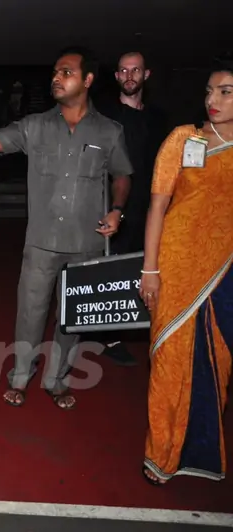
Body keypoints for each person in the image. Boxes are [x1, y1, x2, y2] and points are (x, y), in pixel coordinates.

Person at [0, 46, 133, 409]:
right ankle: (20, 378)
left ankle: (57, 380)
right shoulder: (35, 126)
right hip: (41, 241)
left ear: (87, 80)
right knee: (30, 312)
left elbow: (122, 174)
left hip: (87, 241)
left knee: (72, 319)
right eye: (55, 72)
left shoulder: (109, 131)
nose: (57, 78)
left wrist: (117, 209)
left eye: (66, 72)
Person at [141, 58, 233, 486]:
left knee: (220, 361)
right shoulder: (184, 138)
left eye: (225, 92)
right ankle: (160, 456)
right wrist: (150, 269)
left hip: (225, 272)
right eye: (210, 91)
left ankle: (199, 451)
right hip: (175, 266)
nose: (213, 100)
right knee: (170, 359)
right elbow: (158, 206)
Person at [97, 51, 170, 366]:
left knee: (147, 266)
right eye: (123, 71)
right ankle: (111, 336)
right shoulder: (104, 117)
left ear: (146, 75)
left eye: (135, 70)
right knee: (112, 267)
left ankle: (147, 327)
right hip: (112, 204)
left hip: (151, 206)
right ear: (116, 76)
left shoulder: (159, 119)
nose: (129, 76)